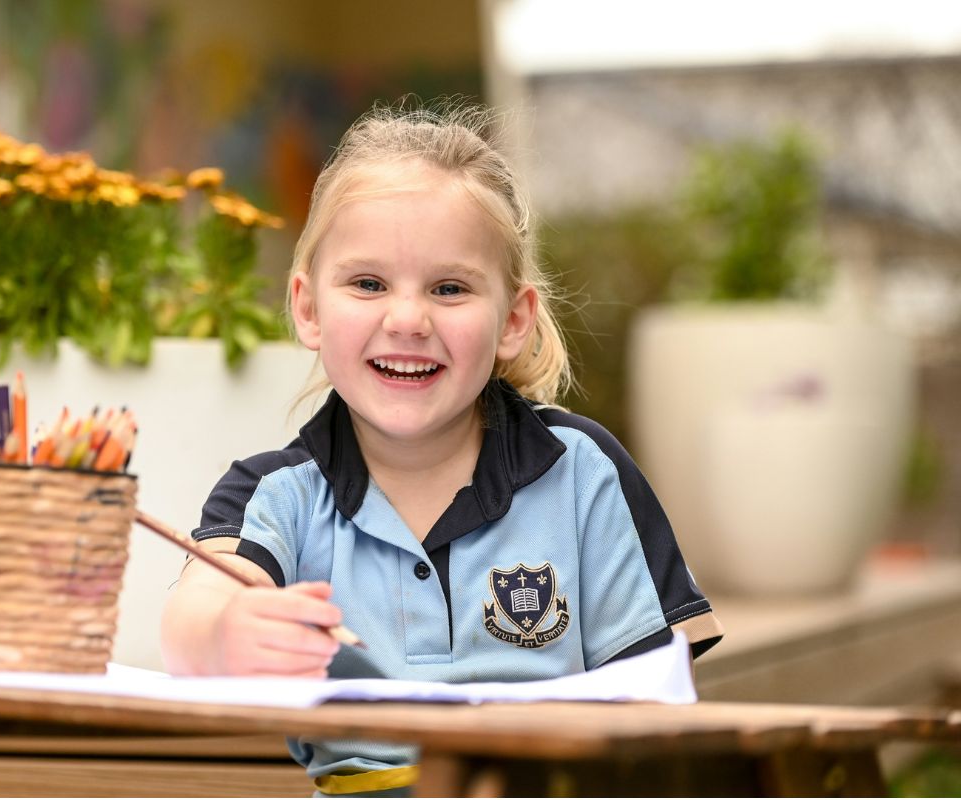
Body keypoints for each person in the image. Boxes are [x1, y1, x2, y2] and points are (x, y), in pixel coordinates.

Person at [160, 102, 724, 797]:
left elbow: (658, 697)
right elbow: (190, 620)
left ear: (513, 320)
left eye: (449, 288)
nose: (407, 319)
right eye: (368, 283)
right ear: (307, 308)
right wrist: (224, 633)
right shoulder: (275, 493)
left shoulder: (580, 469)